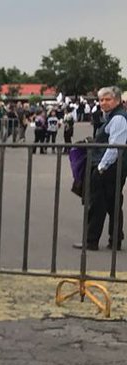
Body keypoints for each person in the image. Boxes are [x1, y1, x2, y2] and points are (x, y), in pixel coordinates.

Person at [74, 86, 127, 251]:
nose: (104, 102)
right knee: (113, 204)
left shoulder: (118, 118)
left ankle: (91, 241)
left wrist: (101, 168)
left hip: (108, 167)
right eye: (101, 99)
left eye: (108, 99)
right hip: (115, 166)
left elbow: (115, 147)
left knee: (97, 204)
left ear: (117, 100)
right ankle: (115, 240)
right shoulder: (113, 116)